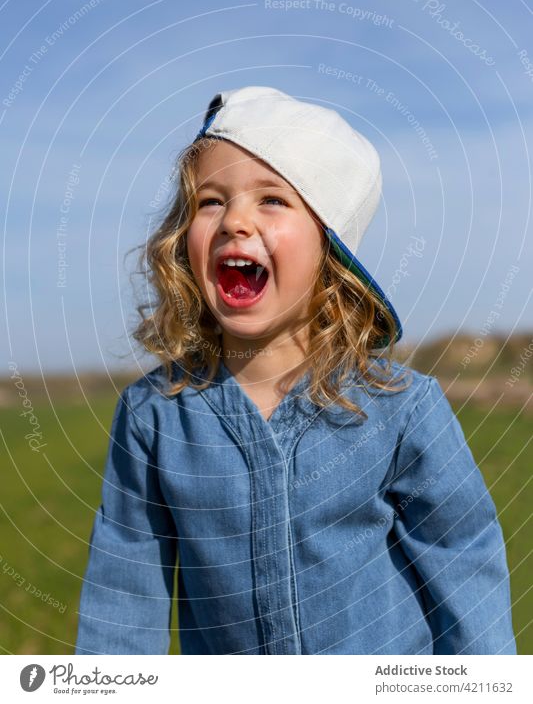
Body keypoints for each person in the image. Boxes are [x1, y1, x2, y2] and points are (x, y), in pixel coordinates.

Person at [75, 86, 516, 655]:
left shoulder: (401, 408)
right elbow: (125, 588)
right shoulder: (154, 415)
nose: (235, 219)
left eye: (272, 200)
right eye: (210, 201)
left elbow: (462, 559)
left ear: (330, 251)